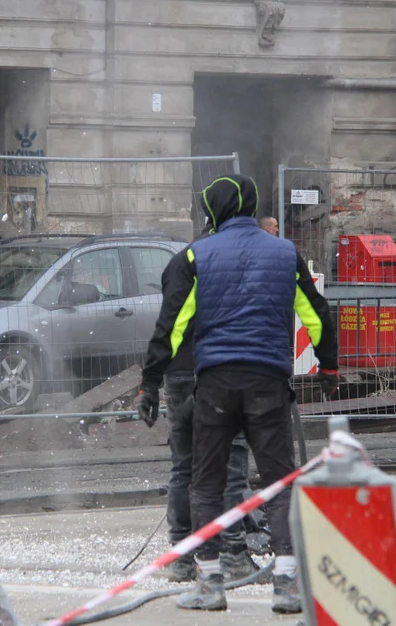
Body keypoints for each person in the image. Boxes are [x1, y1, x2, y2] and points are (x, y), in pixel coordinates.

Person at [135, 174, 338, 615]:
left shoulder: (195, 255)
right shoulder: (285, 252)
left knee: (204, 481)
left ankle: (209, 584)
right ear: (250, 206)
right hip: (268, 381)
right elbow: (316, 313)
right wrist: (329, 365)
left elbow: (172, 327)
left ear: (213, 211)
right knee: (278, 480)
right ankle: (286, 585)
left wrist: (150, 383)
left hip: (215, 385)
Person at [158, 219, 267, 584]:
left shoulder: (178, 261)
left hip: (178, 373)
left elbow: (168, 321)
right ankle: (233, 555)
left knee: (184, 466)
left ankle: (182, 557)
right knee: (231, 464)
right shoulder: (230, 264)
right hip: (216, 372)